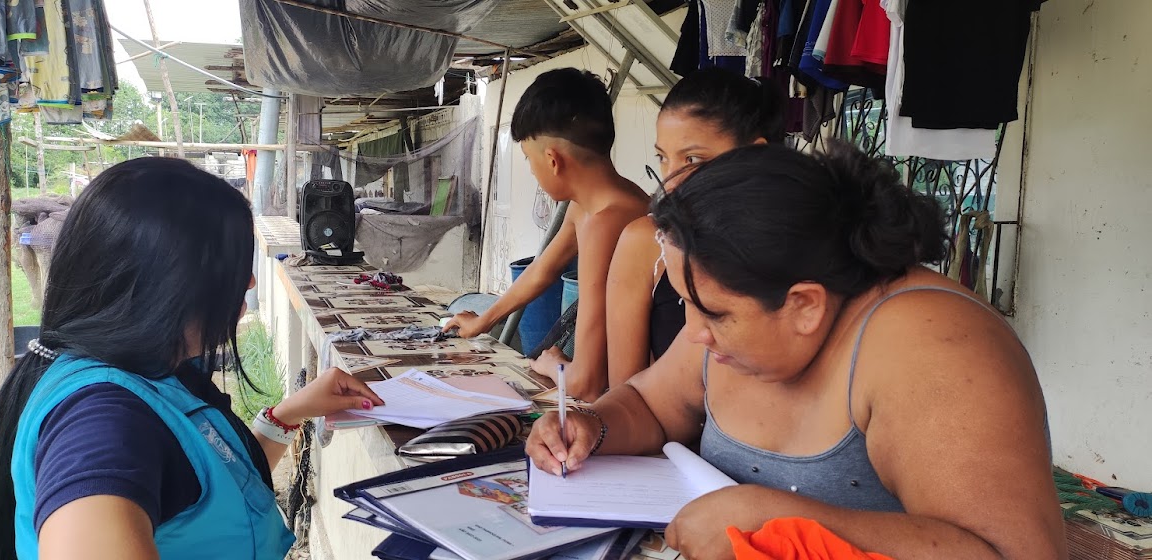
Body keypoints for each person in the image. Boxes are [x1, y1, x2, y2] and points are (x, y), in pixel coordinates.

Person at [527, 144, 1066, 559]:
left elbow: (1010, 555)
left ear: (805, 305)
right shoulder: (739, 308)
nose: (694, 333)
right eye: (686, 304)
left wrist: (772, 522)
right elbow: (649, 404)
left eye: (712, 312)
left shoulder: (933, 346)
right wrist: (592, 426)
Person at [0, 158, 385, 560]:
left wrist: (289, 415)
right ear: (171, 281)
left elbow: (209, 487)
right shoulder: (102, 421)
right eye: (233, 266)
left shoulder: (149, 371)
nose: (249, 282)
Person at [529, 67, 786, 389]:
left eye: (692, 160)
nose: (671, 182)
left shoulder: (800, 246)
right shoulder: (649, 243)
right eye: (663, 158)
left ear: (754, 155)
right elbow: (630, 398)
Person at [444, 68, 649, 402]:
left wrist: (551, 365)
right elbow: (543, 269)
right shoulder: (590, 205)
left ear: (553, 160)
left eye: (528, 159)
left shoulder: (607, 222)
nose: (531, 170)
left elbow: (586, 383)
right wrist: (484, 320)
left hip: (635, 398)